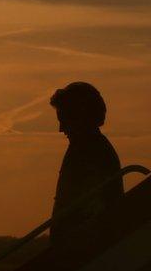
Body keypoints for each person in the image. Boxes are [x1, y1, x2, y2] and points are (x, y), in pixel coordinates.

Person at [49, 82, 123, 246]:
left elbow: (88, 210)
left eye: (64, 119)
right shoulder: (87, 149)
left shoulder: (91, 152)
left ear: (81, 117)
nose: (61, 129)